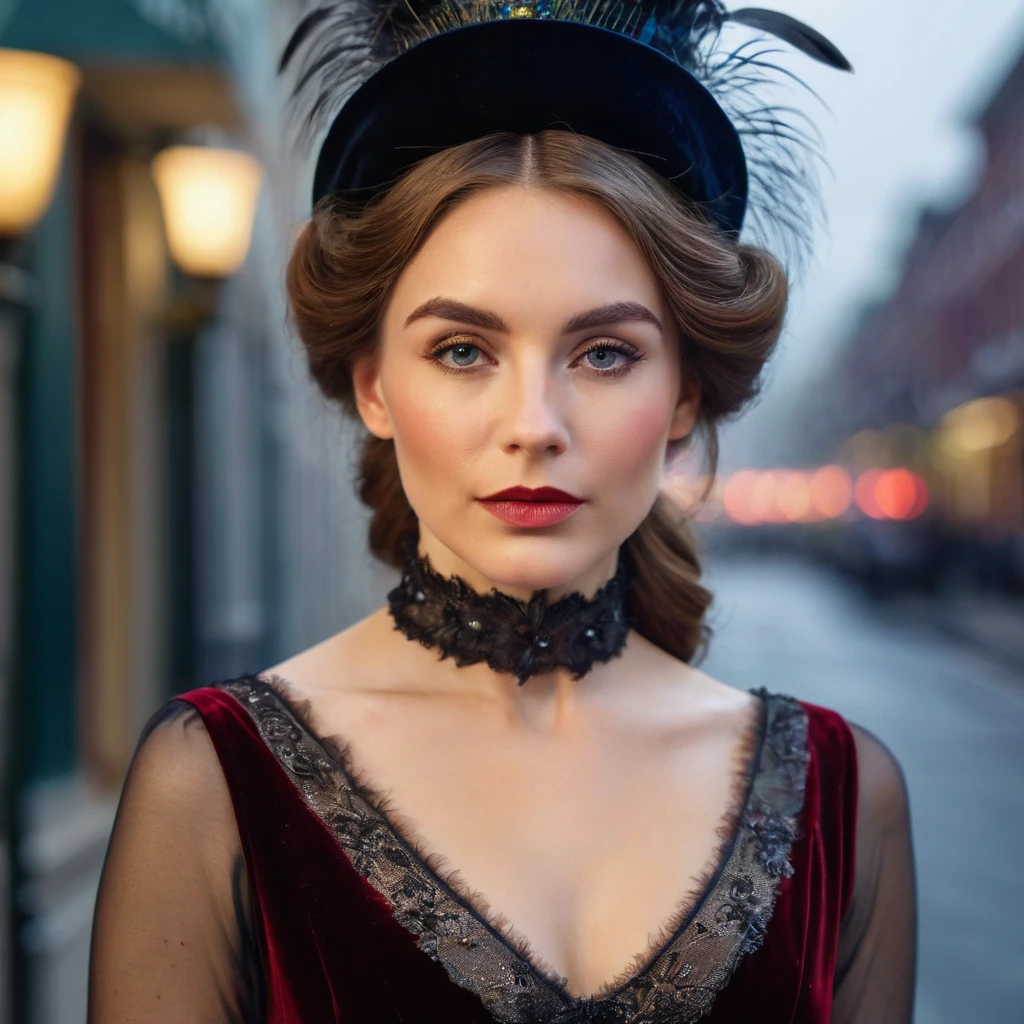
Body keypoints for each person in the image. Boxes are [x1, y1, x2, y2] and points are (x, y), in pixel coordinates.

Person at [87, 1, 918, 1021]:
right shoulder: (212, 788)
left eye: (603, 353)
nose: (534, 425)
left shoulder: (844, 801)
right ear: (373, 385)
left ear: (685, 393)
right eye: (462, 351)